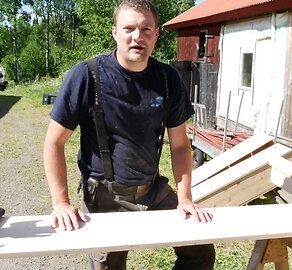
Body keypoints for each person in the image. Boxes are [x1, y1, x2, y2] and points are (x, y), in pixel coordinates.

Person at [43, 0, 216, 269]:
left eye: (146, 29)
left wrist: (184, 199)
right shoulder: (87, 76)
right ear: (115, 32)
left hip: (153, 190)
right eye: (129, 28)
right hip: (105, 194)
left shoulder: (168, 79)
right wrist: (61, 202)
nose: (138, 37)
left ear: (156, 34)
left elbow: (181, 146)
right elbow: (54, 142)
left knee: (200, 250)